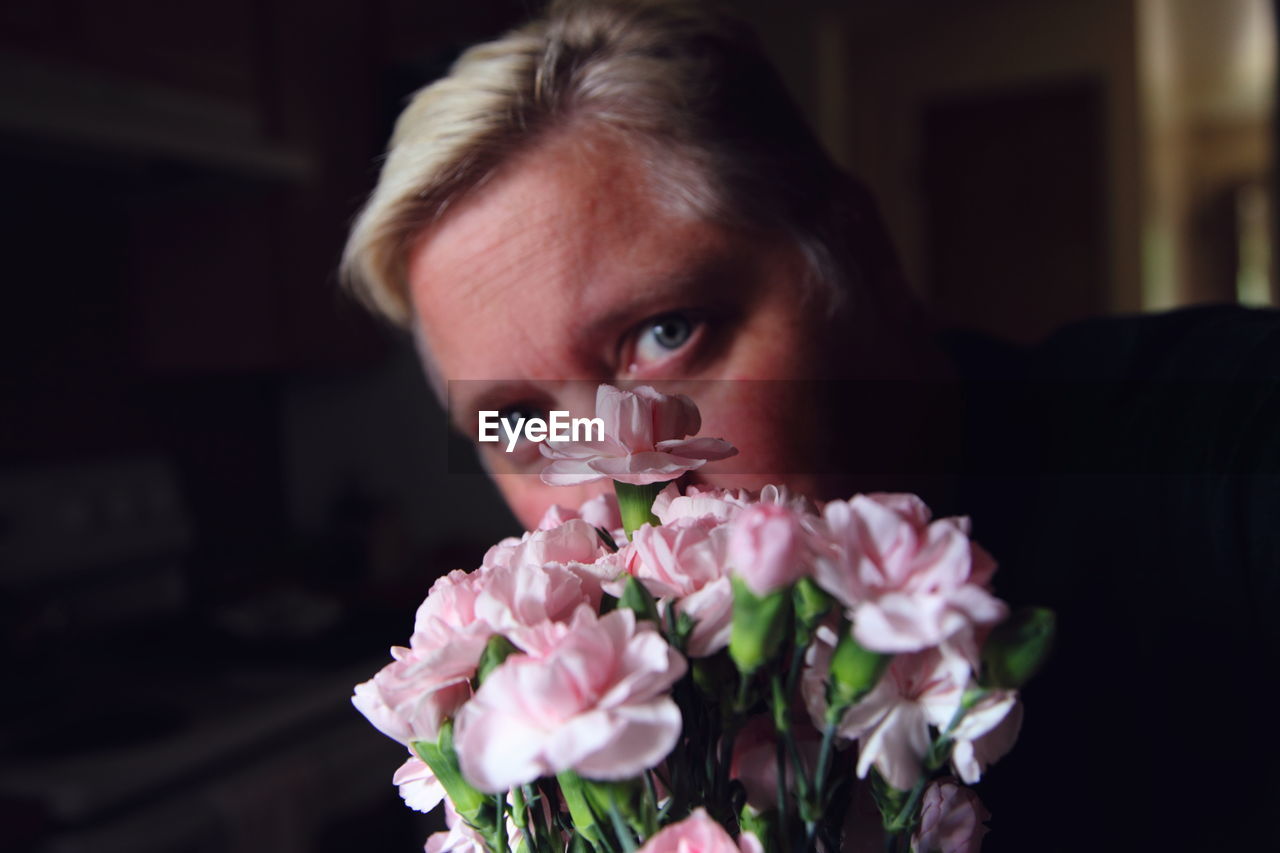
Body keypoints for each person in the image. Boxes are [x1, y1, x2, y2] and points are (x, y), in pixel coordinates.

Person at [341, 1, 1280, 849]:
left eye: (666, 333)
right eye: (516, 417)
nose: (610, 475)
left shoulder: (1215, 438)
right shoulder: (581, 770)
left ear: (857, 258)